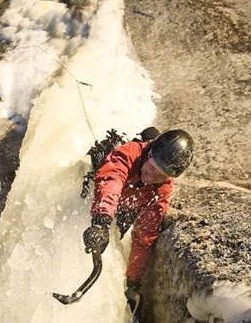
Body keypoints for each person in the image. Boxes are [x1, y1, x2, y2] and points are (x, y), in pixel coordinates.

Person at [82, 129, 194, 303]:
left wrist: (133, 283)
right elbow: (111, 181)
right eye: (152, 167)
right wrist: (101, 222)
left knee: (122, 231)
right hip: (100, 199)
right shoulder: (129, 154)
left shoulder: (161, 189)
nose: (151, 176)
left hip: (126, 207)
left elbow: (144, 238)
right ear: (148, 153)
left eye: (160, 175)